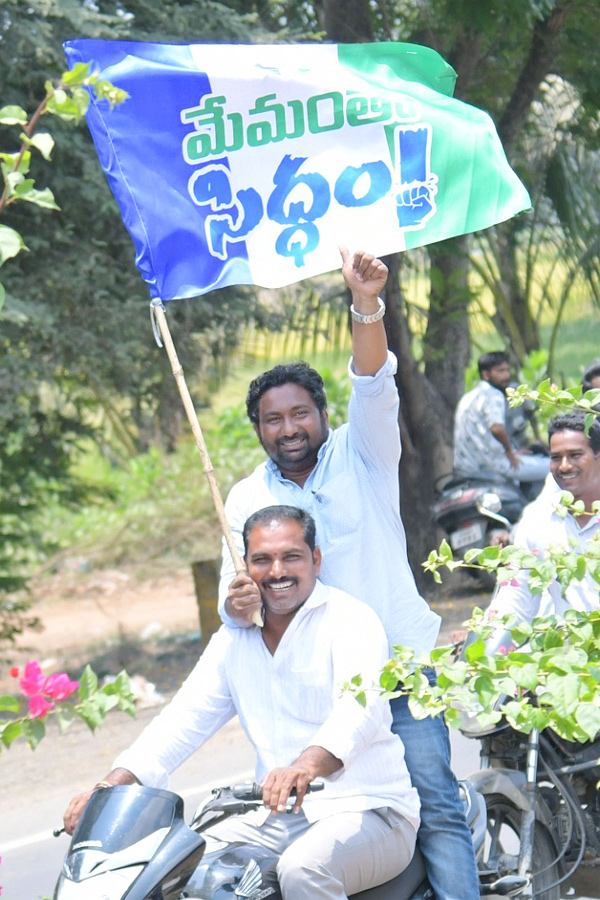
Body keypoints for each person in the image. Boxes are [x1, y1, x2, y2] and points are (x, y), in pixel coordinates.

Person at [218, 249, 479, 900]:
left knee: (437, 811)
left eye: (299, 413)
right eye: (273, 419)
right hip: (317, 692)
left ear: (322, 413)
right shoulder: (245, 500)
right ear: (257, 429)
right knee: (315, 839)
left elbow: (373, 380)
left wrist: (366, 302)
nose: (289, 428)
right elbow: (253, 609)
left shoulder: (365, 450)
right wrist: (238, 603)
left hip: (399, 671)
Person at [63, 506, 420, 900]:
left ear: (316, 560)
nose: (277, 571)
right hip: (277, 818)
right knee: (176, 865)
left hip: (369, 810)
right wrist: (108, 788)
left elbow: (360, 712)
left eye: (292, 557)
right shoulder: (234, 640)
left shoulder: (352, 620)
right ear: (245, 568)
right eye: (262, 560)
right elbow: (181, 721)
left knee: (303, 871)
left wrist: (303, 767)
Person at [487, 410, 600, 624]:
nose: (564, 466)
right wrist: (481, 634)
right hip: (563, 653)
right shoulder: (537, 519)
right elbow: (516, 600)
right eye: (556, 457)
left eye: (575, 455)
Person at [453, 350, 549, 485]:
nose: (507, 376)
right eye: (500, 371)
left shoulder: (469, 396)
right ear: (486, 374)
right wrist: (509, 452)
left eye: (507, 370)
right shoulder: (494, 394)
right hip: (495, 466)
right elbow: (496, 428)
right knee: (553, 467)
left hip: (468, 468)